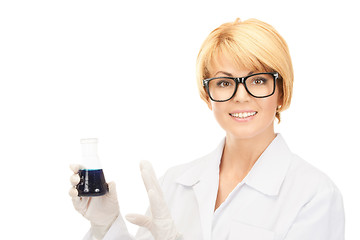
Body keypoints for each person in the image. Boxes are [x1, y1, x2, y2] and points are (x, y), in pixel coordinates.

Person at [69, 18, 345, 240]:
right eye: (224, 83)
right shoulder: (174, 183)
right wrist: (106, 226)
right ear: (207, 96)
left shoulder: (314, 195)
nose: (241, 96)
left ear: (282, 92)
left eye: (258, 80)